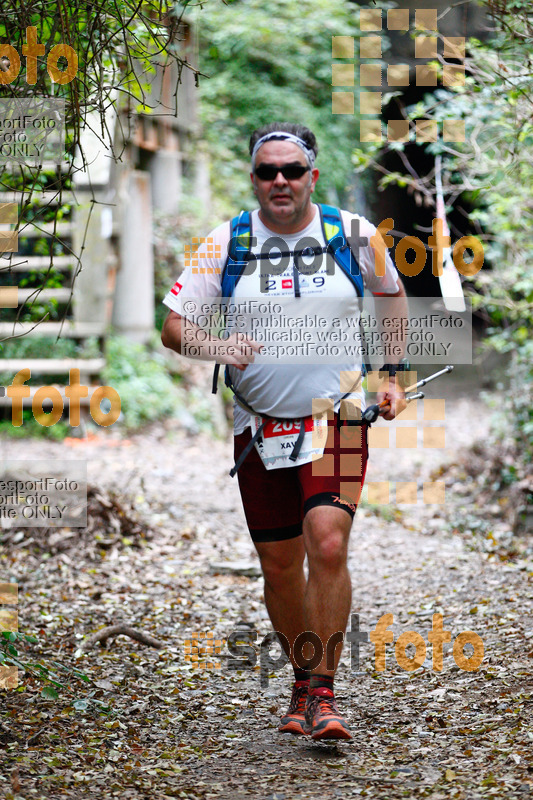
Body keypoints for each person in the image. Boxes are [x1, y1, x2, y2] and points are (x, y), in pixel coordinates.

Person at [161, 122, 408, 741]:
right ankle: (303, 680)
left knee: (327, 541)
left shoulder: (352, 235)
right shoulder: (226, 241)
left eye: (291, 171)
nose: (279, 181)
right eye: (268, 171)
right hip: (259, 427)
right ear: (254, 178)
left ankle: (324, 695)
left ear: (311, 177)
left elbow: (392, 295)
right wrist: (219, 344)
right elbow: (173, 327)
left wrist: (394, 374)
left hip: (340, 418)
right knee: (278, 564)